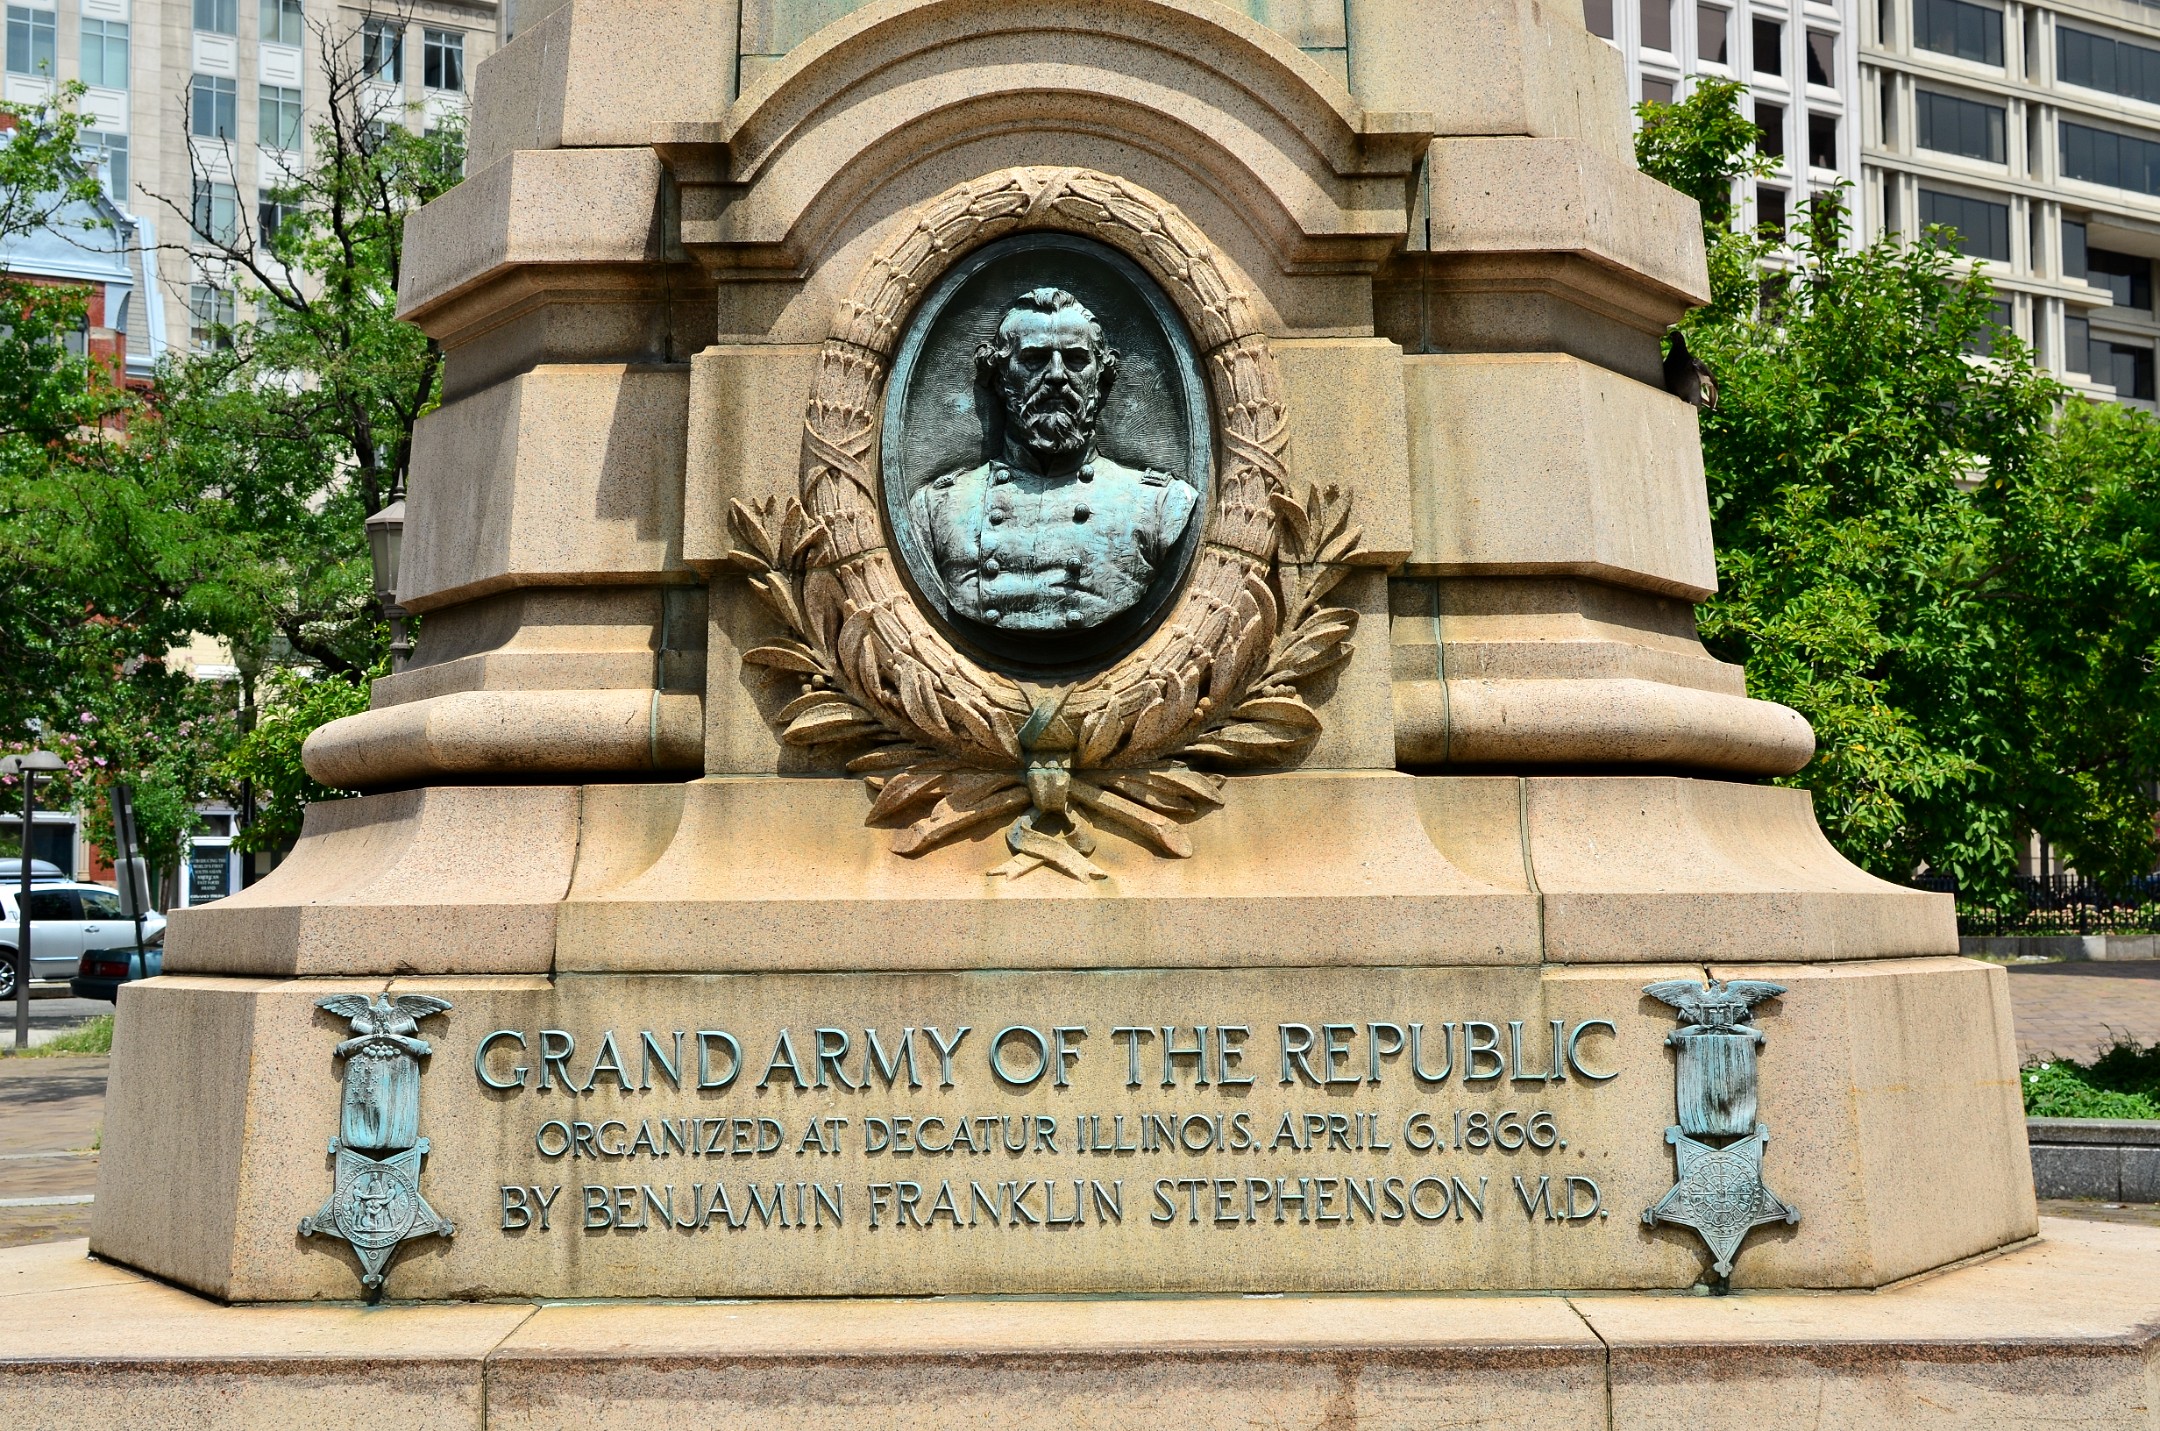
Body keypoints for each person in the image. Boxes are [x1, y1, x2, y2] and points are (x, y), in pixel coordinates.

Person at [908, 287, 1197, 635]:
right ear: (1000, 377)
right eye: (1034, 359)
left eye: (1075, 360)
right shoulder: (937, 508)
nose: (1057, 376)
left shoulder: (1160, 505)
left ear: (1100, 379)